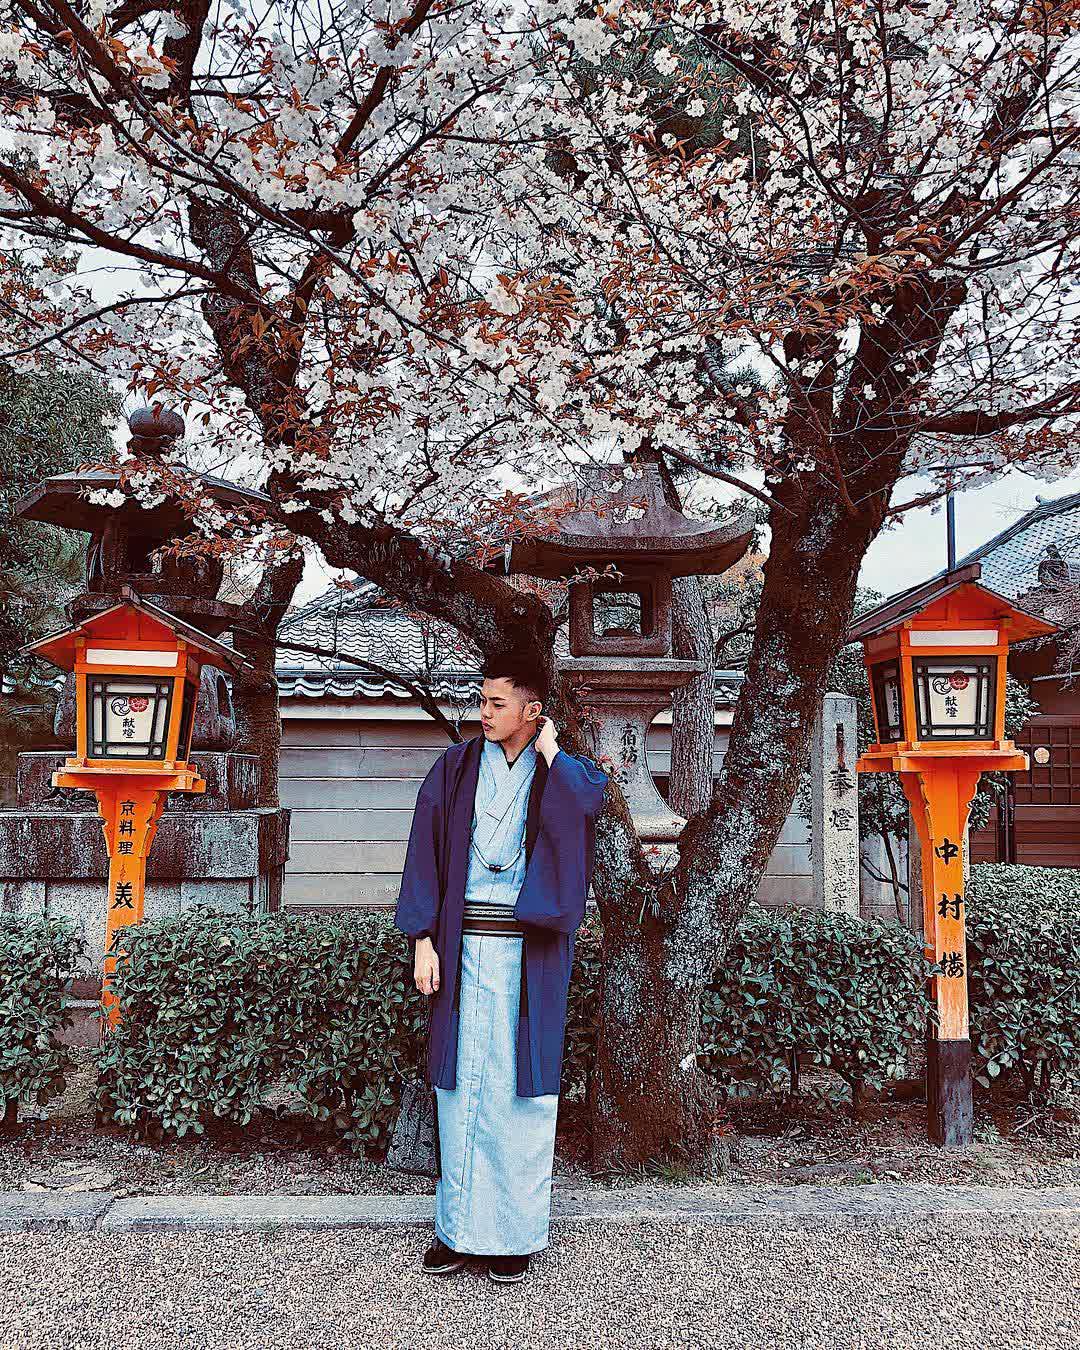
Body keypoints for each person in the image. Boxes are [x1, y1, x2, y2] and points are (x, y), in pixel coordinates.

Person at [394, 651, 608, 1283]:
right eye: (481, 701)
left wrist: (550, 756)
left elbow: (587, 806)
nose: (483, 713)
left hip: (526, 955)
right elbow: (424, 855)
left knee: (520, 1093)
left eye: (497, 703)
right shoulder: (456, 770)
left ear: (530, 710)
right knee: (461, 1091)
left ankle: (514, 1237)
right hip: (462, 948)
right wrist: (423, 938)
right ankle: (458, 1232)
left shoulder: (558, 773)